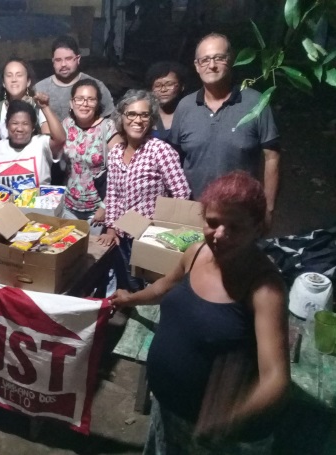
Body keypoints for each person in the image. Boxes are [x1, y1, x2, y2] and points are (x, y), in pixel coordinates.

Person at [111, 171, 289, 455]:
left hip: (219, 437)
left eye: (235, 227)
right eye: (213, 222)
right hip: (169, 410)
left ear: (257, 228)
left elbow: (275, 378)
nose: (220, 235)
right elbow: (163, 288)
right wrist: (129, 299)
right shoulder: (195, 253)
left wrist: (227, 422)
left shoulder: (264, 288)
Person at [169, 33, 280, 227]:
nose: (211, 65)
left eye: (219, 58)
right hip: (193, 209)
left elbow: (272, 157)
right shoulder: (185, 107)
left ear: (231, 60)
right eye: (205, 60)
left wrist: (268, 209)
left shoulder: (256, 103)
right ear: (197, 66)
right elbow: (173, 160)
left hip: (241, 211)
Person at [99, 90, 190, 264]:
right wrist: (110, 228)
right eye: (131, 114)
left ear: (151, 119)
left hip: (152, 238)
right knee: (126, 279)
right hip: (122, 237)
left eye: (144, 115)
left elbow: (182, 194)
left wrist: (163, 231)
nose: (138, 120)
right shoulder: (116, 153)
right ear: (121, 117)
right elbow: (112, 195)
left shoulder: (160, 150)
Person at [62, 79, 123, 235]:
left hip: (97, 211)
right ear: (71, 103)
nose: (85, 104)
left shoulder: (107, 127)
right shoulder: (67, 125)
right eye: (79, 99)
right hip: (68, 207)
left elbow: (121, 173)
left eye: (91, 99)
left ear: (97, 104)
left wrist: (105, 207)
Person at [0, 98, 65, 187]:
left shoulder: (41, 144)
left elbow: (60, 139)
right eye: (15, 123)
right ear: (7, 125)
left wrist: (45, 107)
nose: (19, 129)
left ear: (33, 127)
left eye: (25, 124)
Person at [35, 35, 114, 122]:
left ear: (78, 59)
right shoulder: (40, 89)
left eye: (68, 59)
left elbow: (110, 119)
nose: (63, 64)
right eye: (58, 60)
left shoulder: (96, 87)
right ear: (53, 62)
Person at [0, 57, 49, 145]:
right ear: (3, 82)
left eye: (19, 75)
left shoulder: (38, 107)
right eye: (9, 75)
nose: (14, 80)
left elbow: (48, 141)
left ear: (28, 82)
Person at [145, 61, 187, 141]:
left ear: (182, 87)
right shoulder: (147, 116)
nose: (163, 90)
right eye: (157, 86)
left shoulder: (189, 114)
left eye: (169, 84)